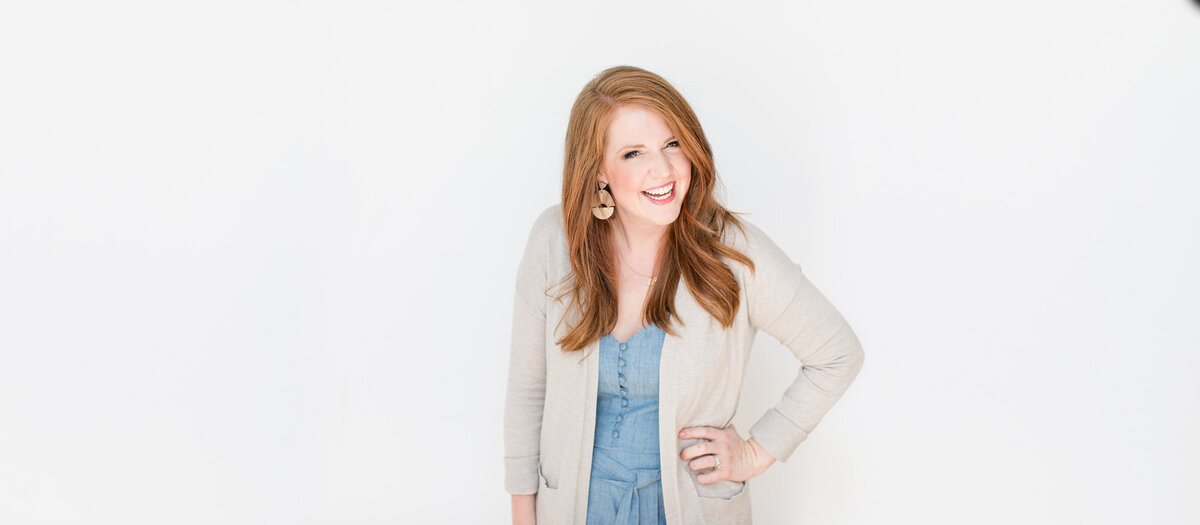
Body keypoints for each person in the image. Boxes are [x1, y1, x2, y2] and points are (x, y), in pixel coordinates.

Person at [504, 65, 865, 525]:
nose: (664, 169)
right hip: (575, 508)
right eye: (634, 153)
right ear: (598, 170)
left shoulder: (733, 250)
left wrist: (757, 451)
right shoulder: (555, 241)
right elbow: (527, 391)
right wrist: (523, 514)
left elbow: (838, 353)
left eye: (673, 144)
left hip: (693, 510)